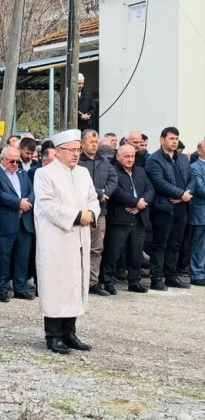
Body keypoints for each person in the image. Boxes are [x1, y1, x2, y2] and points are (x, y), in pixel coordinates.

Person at [34, 129, 99, 354]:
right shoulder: (45, 174)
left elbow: (92, 197)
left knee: (75, 283)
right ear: (58, 151)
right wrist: (77, 216)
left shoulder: (82, 173)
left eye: (78, 150)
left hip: (79, 237)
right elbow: (48, 205)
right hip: (56, 238)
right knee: (57, 284)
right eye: (71, 150)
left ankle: (69, 332)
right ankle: (53, 335)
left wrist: (91, 212)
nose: (75, 154)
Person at [100, 144, 154, 294]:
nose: (130, 159)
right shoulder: (113, 171)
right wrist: (135, 202)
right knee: (113, 253)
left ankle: (134, 281)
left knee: (136, 253)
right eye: (126, 156)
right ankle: (108, 282)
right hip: (119, 219)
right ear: (118, 156)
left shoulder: (140, 171)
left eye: (132, 156)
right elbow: (116, 191)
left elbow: (150, 189)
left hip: (139, 218)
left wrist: (142, 204)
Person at [146, 127, 192, 291]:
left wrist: (185, 195)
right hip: (163, 208)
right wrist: (181, 194)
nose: (174, 141)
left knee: (175, 243)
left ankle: (171, 275)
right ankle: (156, 278)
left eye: (176, 138)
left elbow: (192, 177)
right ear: (162, 139)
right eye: (171, 138)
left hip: (182, 207)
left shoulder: (182, 159)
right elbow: (159, 182)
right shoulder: (154, 159)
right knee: (160, 244)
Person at [0, 147, 35, 302]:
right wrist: (18, 203)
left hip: (24, 222)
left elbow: (32, 190)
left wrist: (27, 203)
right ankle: (1, 289)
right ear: (2, 159)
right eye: (12, 161)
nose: (15, 164)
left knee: (22, 257)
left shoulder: (23, 173)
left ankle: (20, 288)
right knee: (3, 259)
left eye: (18, 161)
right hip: (5, 221)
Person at [79, 130, 117, 296]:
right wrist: (99, 193)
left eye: (96, 142)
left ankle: (92, 282)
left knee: (96, 248)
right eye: (91, 142)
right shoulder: (78, 162)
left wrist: (105, 192)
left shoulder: (104, 161)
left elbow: (113, 179)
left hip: (100, 211)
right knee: (80, 247)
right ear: (82, 143)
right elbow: (81, 183)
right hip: (81, 211)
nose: (95, 145)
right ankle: (78, 280)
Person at [189, 140, 205, 287]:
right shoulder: (195, 167)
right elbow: (200, 189)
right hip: (201, 213)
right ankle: (197, 273)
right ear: (199, 151)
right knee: (199, 245)